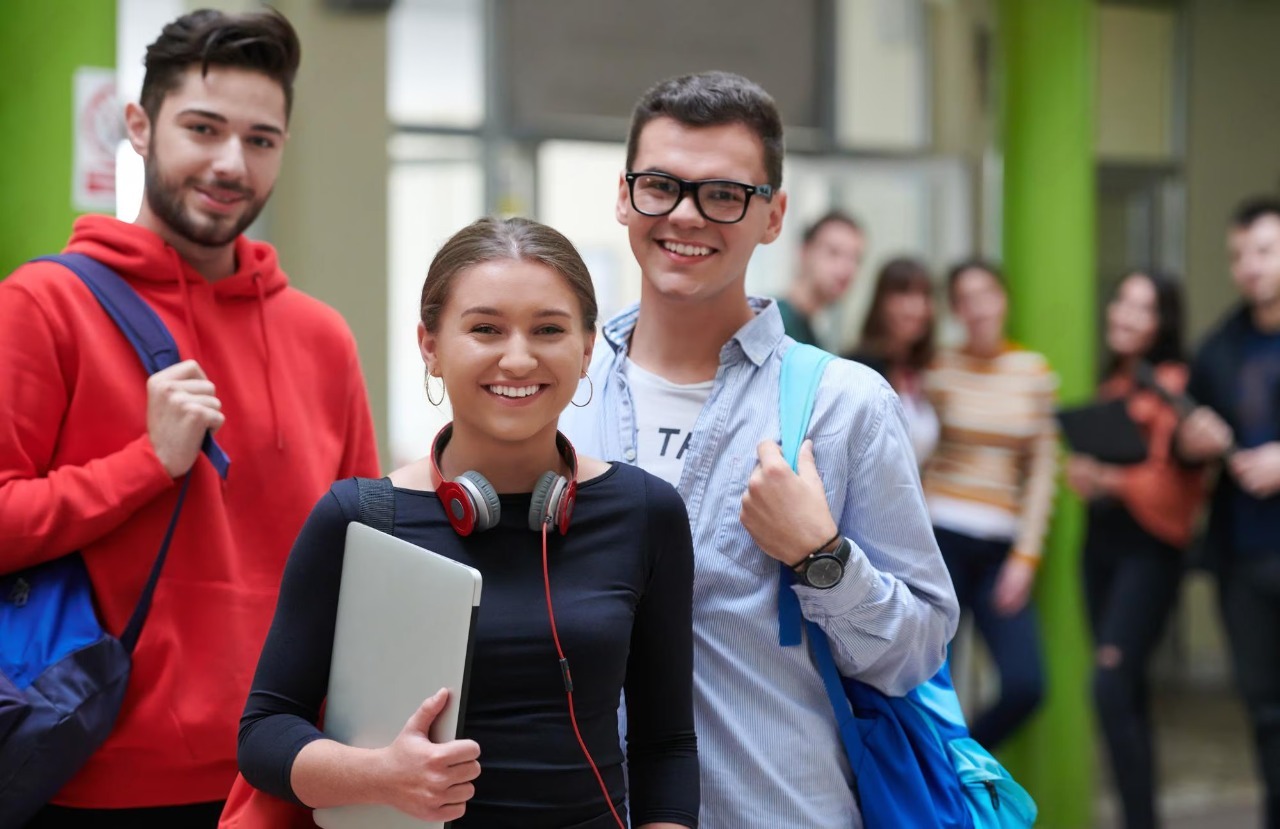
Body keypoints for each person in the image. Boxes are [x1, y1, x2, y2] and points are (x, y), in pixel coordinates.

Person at [0, 10, 381, 827]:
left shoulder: (321, 337)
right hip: (92, 778)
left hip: (286, 777)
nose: (229, 163)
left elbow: (364, 561)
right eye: (202, 129)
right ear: (138, 127)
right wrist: (147, 462)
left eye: (261, 139)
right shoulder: (43, 307)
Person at [560, 70, 958, 829]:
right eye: (660, 185)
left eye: (723, 194)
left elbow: (918, 649)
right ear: (623, 195)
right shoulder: (561, 390)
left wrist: (821, 556)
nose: (684, 214)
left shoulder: (844, 405)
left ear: (772, 215)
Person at [236, 217, 698, 829]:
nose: (517, 357)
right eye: (485, 328)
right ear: (430, 346)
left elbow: (665, 743)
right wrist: (380, 777)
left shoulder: (646, 513)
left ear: (587, 350)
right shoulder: (357, 519)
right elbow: (264, 734)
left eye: (549, 330)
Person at [1064, 270, 1203, 829]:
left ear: (1162, 321)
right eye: (1121, 300)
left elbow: (1177, 486)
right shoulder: (1115, 384)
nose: (1123, 314)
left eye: (1141, 308)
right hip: (1101, 548)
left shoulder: (1175, 383)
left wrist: (1108, 479)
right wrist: (1086, 475)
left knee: (1111, 686)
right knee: (1128, 696)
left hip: (1149, 554)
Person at [922, 259, 1058, 752]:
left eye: (986, 294)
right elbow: (915, 455)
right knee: (932, 688)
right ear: (956, 309)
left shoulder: (1033, 373)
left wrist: (1026, 558)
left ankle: (963, 766)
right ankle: (935, 804)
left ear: (1003, 299)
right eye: (965, 298)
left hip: (1002, 549)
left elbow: (1043, 474)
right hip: (941, 541)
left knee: (1027, 685)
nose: (977, 307)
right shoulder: (939, 368)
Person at [1175, 198, 1280, 829]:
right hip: (1243, 558)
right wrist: (1194, 441)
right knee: (1266, 712)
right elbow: (1186, 451)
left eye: (1264, 251)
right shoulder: (1218, 347)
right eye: (1238, 255)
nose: (1249, 267)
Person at [846, 256, 939, 465]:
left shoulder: (924, 367)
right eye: (903, 293)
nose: (916, 307)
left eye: (924, 295)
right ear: (881, 301)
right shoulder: (857, 367)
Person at [773, 210, 865, 346]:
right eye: (834, 253)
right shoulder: (773, 322)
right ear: (804, 252)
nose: (847, 268)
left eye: (855, 258)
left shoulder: (812, 333)